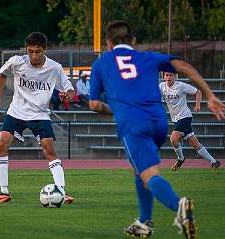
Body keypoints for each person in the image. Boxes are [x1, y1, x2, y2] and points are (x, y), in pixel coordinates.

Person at [89, 20, 225, 239]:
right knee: (139, 169)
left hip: (133, 124)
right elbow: (185, 67)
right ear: (133, 41)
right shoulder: (147, 57)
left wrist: (117, 109)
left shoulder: (102, 63)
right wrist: (209, 95)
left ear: (107, 43)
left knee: (149, 173)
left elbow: (94, 105)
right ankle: (145, 222)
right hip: (159, 122)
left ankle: (179, 206)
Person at [0, 32, 75, 205]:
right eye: (30, 51)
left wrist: (68, 96)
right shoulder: (16, 61)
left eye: (38, 51)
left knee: (49, 149)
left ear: (45, 49)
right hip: (16, 112)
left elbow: (69, 89)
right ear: (26, 49)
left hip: (40, 114)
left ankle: (61, 191)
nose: (34, 56)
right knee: (2, 143)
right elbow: (1, 75)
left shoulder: (55, 67)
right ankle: (4, 192)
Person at [160, 72, 221, 170]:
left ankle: (181, 159)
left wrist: (197, 105)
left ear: (175, 76)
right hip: (176, 119)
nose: (168, 77)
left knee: (173, 139)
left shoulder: (181, 86)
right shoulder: (161, 86)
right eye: (166, 75)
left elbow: (198, 92)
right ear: (163, 77)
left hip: (185, 117)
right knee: (195, 144)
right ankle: (214, 162)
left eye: (171, 75)